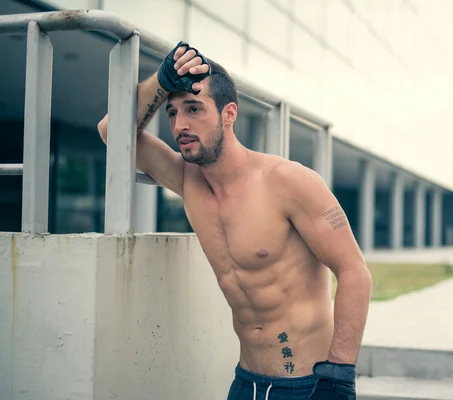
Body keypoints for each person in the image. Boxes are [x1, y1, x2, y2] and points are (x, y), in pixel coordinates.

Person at [97, 41, 372, 400]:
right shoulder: (189, 181)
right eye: (173, 113)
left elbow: (354, 272)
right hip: (245, 383)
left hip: (308, 384)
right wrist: (161, 82)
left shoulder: (287, 181)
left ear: (229, 114)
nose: (180, 124)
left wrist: (338, 377)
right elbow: (111, 132)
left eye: (194, 109)